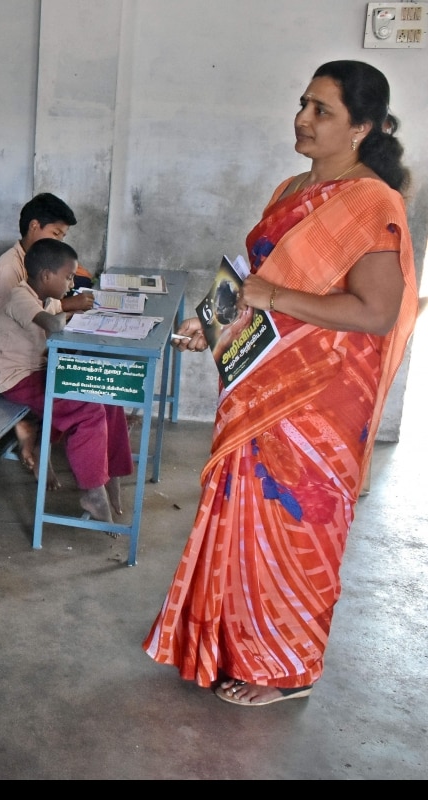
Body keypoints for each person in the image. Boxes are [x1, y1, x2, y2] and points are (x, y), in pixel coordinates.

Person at [143, 60, 417, 707]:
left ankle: (290, 668)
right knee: (245, 520)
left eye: (322, 110)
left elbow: (376, 312)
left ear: (362, 127)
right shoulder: (290, 187)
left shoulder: (376, 202)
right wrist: (207, 326)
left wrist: (275, 294)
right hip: (260, 386)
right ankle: (231, 646)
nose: (303, 118)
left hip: (319, 403)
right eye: (303, 104)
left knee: (296, 528)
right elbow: (250, 284)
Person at [0, 239, 132, 521]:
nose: (70, 283)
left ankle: (110, 472)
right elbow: (52, 324)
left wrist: (69, 309)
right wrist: (69, 312)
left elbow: (55, 313)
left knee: (107, 395)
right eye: (68, 277)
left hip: (41, 371)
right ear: (45, 276)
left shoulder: (43, 297)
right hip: (19, 380)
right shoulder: (20, 296)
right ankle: (92, 490)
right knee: (88, 410)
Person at [0, 193, 93, 366]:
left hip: (34, 344)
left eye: (63, 236)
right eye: (56, 233)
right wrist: (68, 305)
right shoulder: (9, 268)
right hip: (10, 358)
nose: (60, 241)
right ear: (34, 226)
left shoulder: (41, 261)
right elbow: (23, 314)